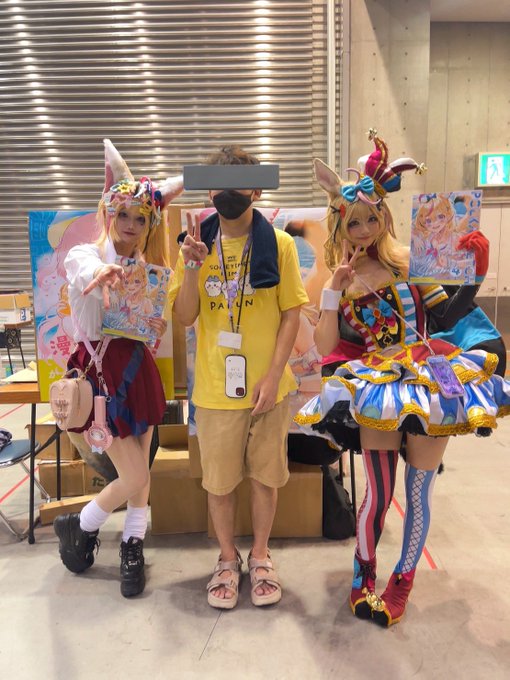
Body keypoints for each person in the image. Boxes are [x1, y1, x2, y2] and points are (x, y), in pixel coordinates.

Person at [295, 130, 510, 626]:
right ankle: (363, 575)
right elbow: (324, 347)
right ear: (340, 223)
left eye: (372, 218)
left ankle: (402, 581)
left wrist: (475, 276)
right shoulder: (335, 278)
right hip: (379, 386)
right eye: (354, 221)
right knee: (378, 494)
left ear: (385, 218)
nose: (364, 229)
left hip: (430, 379)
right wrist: (333, 291)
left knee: (418, 492)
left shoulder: (410, 262)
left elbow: (448, 316)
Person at [170, 145, 308, 609]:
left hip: (269, 389)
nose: (229, 193)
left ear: (257, 190)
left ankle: (262, 555)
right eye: (220, 184)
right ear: (209, 191)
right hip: (214, 390)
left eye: (239, 184)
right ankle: (227, 559)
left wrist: (273, 375)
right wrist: (192, 268)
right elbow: (185, 316)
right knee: (220, 483)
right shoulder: (193, 246)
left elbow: (291, 313)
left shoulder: (280, 245)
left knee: (266, 478)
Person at [53, 139, 183, 597]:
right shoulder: (84, 254)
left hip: (137, 367)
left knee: (141, 464)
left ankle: (132, 544)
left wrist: (154, 324)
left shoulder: (146, 267)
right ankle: (81, 524)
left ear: (151, 223)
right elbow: (82, 269)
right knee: (135, 476)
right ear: (108, 211)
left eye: (140, 218)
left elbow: (142, 328)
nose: (130, 224)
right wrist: (100, 275)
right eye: (123, 214)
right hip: (100, 373)